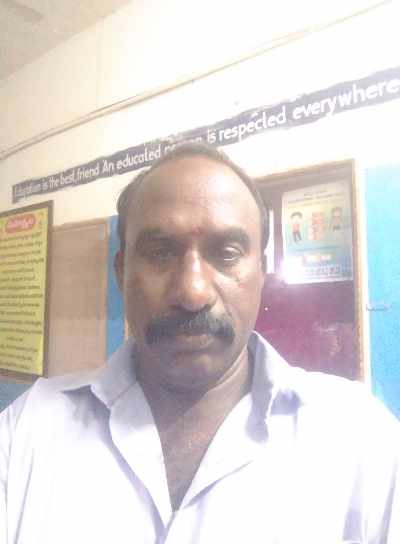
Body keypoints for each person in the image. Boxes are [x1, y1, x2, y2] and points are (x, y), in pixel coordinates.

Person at [0, 143, 399, 543]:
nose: (192, 292)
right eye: (160, 252)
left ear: (261, 272)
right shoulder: (27, 432)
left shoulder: (360, 439)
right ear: (122, 272)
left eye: (226, 253)